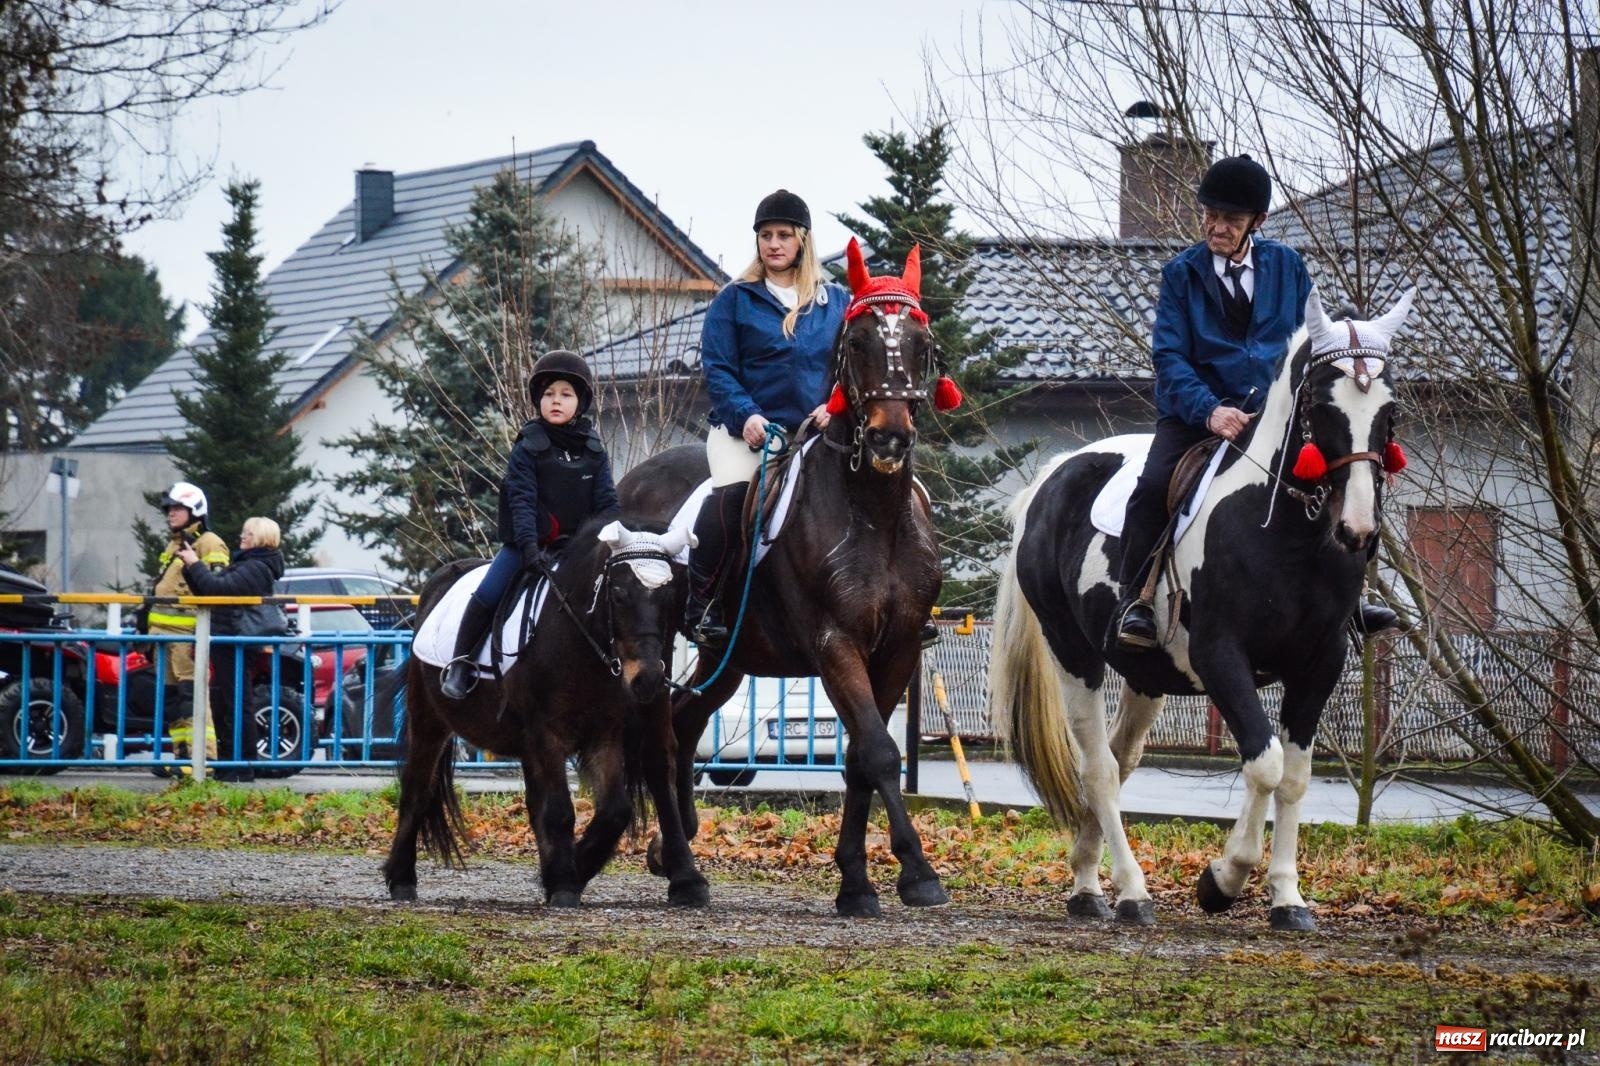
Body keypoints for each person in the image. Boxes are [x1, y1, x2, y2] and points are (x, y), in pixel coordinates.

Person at [1112, 154, 1399, 651]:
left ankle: (1355, 596)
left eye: (1231, 220)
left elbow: (1311, 344)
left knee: (1347, 475)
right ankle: (1134, 599)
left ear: (1257, 223)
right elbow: (1170, 357)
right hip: (1198, 415)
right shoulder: (1180, 275)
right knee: (1153, 484)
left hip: (1273, 418)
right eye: (1211, 216)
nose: (1217, 227)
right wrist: (1210, 410)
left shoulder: (1287, 267)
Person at [684, 189, 848, 646]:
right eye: (765, 236)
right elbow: (717, 368)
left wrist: (834, 403)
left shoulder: (836, 301)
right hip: (747, 433)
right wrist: (746, 415)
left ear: (802, 240)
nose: (773, 244)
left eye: (783, 235)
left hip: (816, 430)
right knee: (732, 498)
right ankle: (702, 604)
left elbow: (850, 367)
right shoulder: (734, 300)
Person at [439, 349, 620, 699]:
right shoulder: (528, 446)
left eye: (566, 395)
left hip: (578, 550)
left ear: (579, 402)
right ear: (538, 400)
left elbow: (608, 505)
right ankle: (461, 663)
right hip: (529, 545)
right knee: (490, 590)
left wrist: (611, 542)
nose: (556, 401)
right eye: (549, 394)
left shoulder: (594, 450)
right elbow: (521, 501)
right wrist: (529, 548)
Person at [178, 516, 286, 783]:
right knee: (226, 701)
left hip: (236, 640)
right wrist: (191, 567)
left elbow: (217, 589)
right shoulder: (249, 564)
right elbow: (207, 590)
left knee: (236, 702)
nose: (242, 537)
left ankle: (242, 764)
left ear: (260, 539)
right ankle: (231, 762)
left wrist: (195, 564)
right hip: (228, 639)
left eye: (247, 534)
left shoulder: (256, 567)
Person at [149, 481, 228, 757]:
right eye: (168, 508)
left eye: (176, 508)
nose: (170, 513)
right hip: (163, 636)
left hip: (189, 638)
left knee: (192, 698)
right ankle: (182, 755)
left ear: (194, 509)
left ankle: (203, 758)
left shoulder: (209, 543)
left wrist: (202, 636)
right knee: (173, 701)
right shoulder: (174, 544)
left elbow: (217, 590)